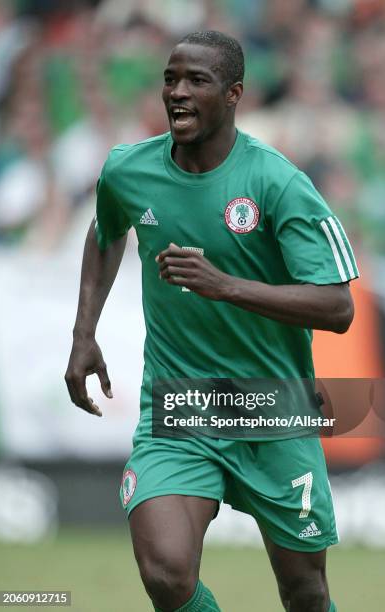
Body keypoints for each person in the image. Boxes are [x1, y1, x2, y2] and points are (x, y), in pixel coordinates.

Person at [65, 30, 359, 612]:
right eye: (170, 79)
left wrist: (224, 287)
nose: (177, 92)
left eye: (196, 81)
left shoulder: (278, 183)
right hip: (179, 405)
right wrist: (83, 334)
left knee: (304, 588)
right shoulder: (128, 171)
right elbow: (106, 232)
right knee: (166, 574)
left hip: (273, 406)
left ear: (233, 94)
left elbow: (338, 307)